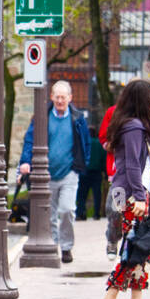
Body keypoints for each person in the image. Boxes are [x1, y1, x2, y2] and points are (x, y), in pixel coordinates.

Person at [100, 78, 150, 299]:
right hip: (130, 193)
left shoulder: (134, 124)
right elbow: (132, 165)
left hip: (128, 190)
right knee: (133, 246)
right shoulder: (134, 128)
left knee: (142, 247)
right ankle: (109, 298)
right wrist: (138, 196)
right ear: (142, 100)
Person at [17, 80, 91, 264]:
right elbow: (29, 141)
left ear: (70, 98)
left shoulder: (77, 118)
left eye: (63, 97)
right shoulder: (42, 117)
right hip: (47, 173)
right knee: (49, 214)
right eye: (56, 97)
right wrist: (25, 162)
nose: (59, 100)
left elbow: (86, 144)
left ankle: (66, 247)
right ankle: (55, 246)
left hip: (69, 173)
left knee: (67, 210)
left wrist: (82, 164)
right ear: (51, 97)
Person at [75, 126, 105, 221]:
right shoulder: (99, 144)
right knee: (97, 194)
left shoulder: (83, 143)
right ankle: (96, 213)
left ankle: (81, 213)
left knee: (82, 194)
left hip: (84, 171)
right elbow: (103, 158)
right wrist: (105, 171)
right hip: (97, 172)